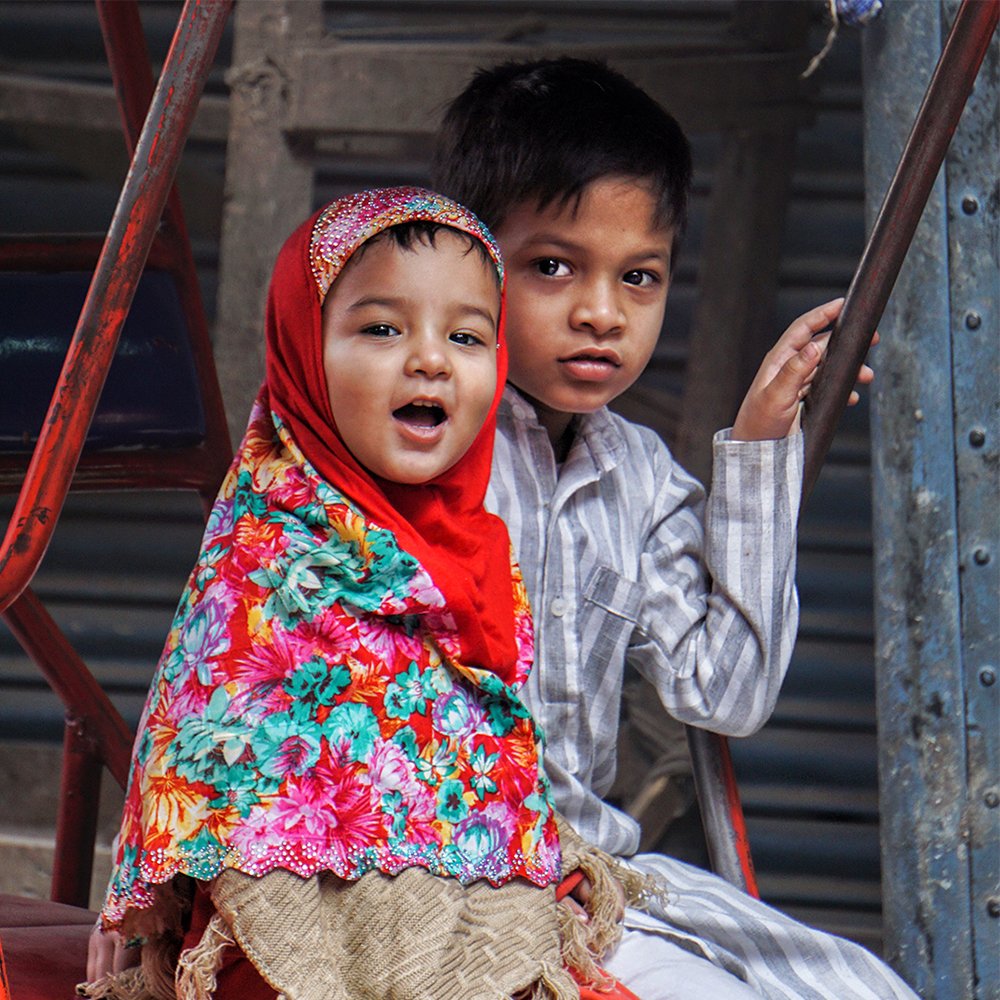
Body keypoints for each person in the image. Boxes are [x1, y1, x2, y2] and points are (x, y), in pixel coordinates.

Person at [432, 58, 920, 1000]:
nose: (601, 314)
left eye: (640, 277)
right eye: (552, 267)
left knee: (869, 992)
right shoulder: (422, 445)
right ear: (468, 262)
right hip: (454, 884)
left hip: (597, 879)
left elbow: (725, 693)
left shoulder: (640, 476)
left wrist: (761, 450)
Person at [81, 187, 643, 1000]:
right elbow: (192, 749)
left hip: (464, 927)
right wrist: (135, 902)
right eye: (382, 329)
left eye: (468, 335)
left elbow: (491, 776)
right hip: (285, 943)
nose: (431, 359)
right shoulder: (269, 551)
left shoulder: (476, 555)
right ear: (305, 352)